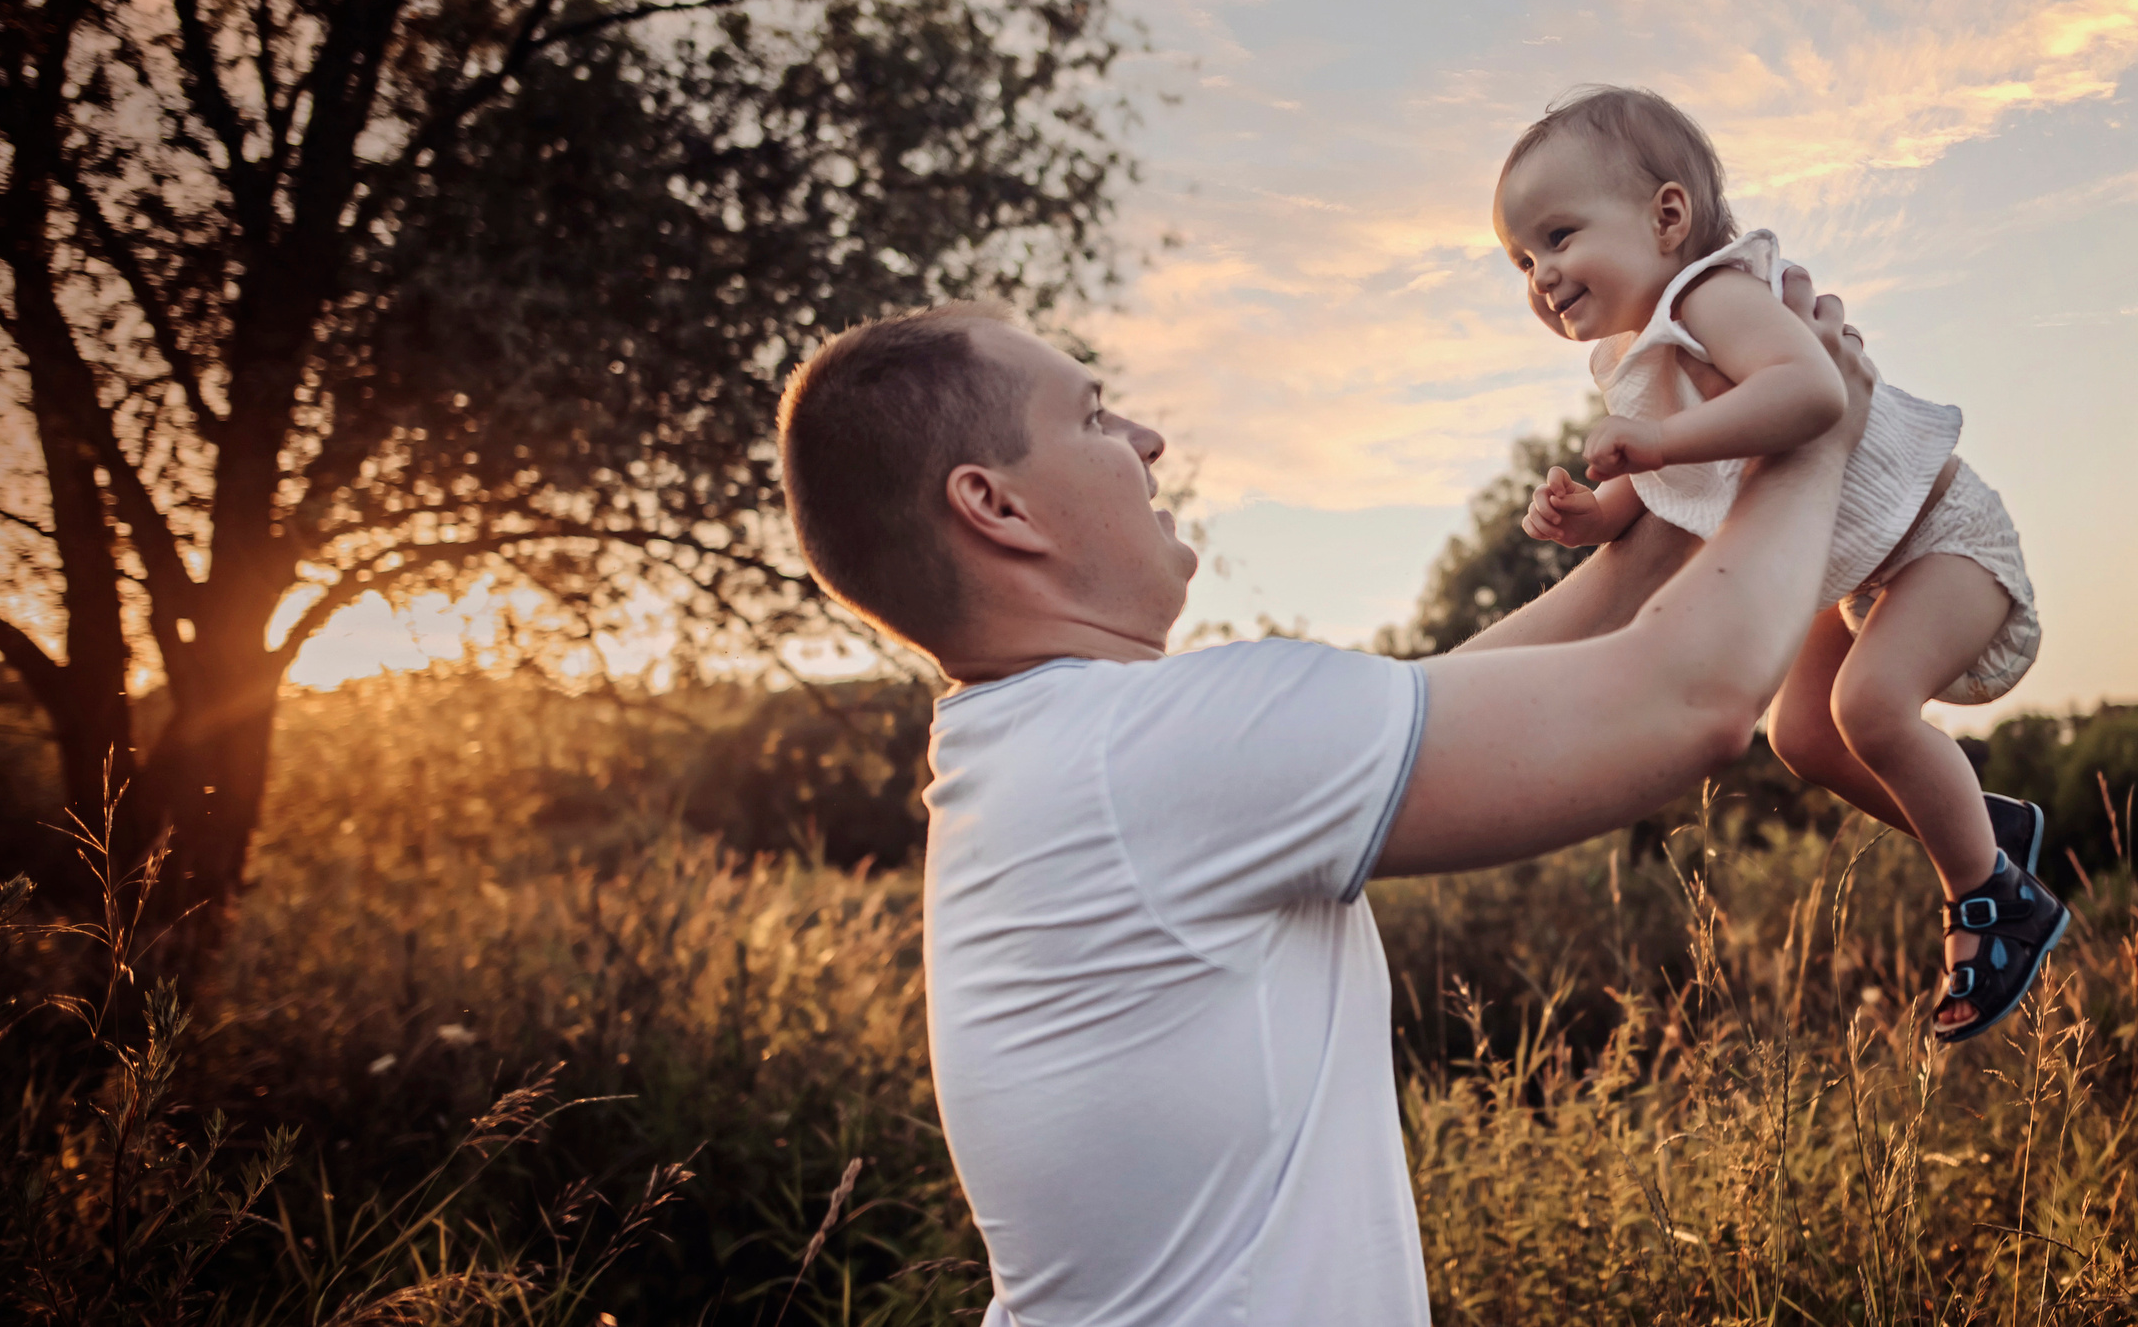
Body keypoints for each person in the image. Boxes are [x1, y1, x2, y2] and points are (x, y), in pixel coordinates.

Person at [776, 276, 1871, 1326]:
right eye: (1095, 415)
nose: (1146, 441)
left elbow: (1453, 698)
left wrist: (1702, 462)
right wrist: (1812, 427)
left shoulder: (1055, 752)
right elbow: (1689, 697)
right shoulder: (1147, 751)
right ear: (995, 504)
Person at [1495, 84, 2066, 1042]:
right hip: (1860, 569)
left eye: (1558, 236)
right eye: (1521, 259)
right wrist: (1597, 512)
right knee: (1799, 734)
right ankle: (1982, 824)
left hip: (1941, 539)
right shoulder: (1653, 348)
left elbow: (1809, 393)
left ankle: (1996, 900)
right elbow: (1686, 475)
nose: (1541, 274)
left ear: (1667, 215)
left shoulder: (1716, 293)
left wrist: (1656, 445)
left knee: (1867, 708)